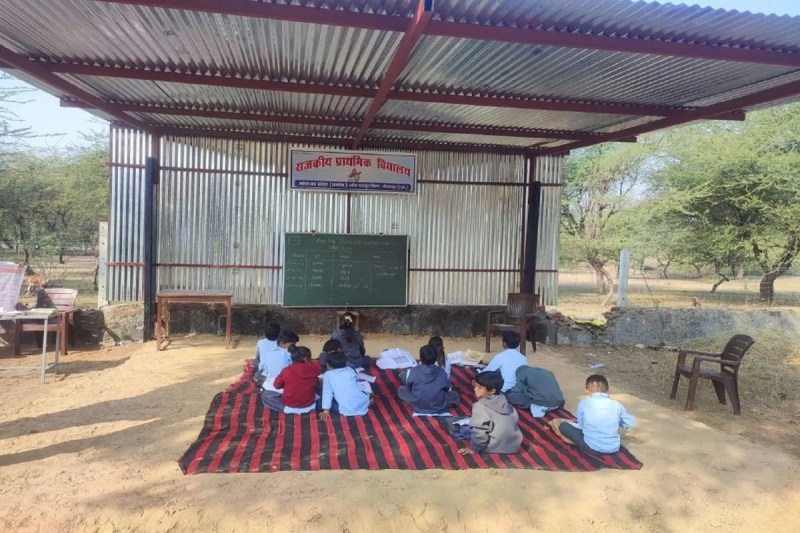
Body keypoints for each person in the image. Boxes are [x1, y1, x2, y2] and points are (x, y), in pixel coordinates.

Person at [550, 374, 636, 454]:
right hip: (614, 448)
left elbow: (581, 425)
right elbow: (630, 423)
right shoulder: (617, 405)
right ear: (607, 390)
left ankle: (568, 440)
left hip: (592, 448)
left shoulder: (584, 403)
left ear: (587, 390)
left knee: (562, 425)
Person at [458, 371, 522, 455]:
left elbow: (479, 432)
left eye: (479, 387)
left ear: (491, 391)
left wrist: (474, 449)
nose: (475, 389)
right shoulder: (506, 402)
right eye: (475, 385)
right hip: (513, 446)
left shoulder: (479, 406)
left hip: (493, 448)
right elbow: (514, 420)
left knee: (464, 429)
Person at [397, 345, 459, 414]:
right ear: (436, 359)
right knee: (454, 395)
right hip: (437, 405)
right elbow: (447, 387)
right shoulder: (441, 372)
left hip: (418, 404)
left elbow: (406, 381)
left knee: (402, 389)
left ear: (420, 358)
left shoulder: (414, 371)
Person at [261, 346, 321, 414]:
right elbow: (317, 386)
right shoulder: (314, 369)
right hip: (309, 406)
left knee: (265, 396)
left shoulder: (286, 370)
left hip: (289, 407)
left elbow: (276, 385)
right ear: (306, 358)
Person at [319, 351, 370, 419]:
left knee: (318, 402)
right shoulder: (350, 370)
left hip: (345, 408)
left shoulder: (328, 375)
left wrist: (326, 411)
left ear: (328, 365)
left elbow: (327, 393)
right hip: (362, 403)